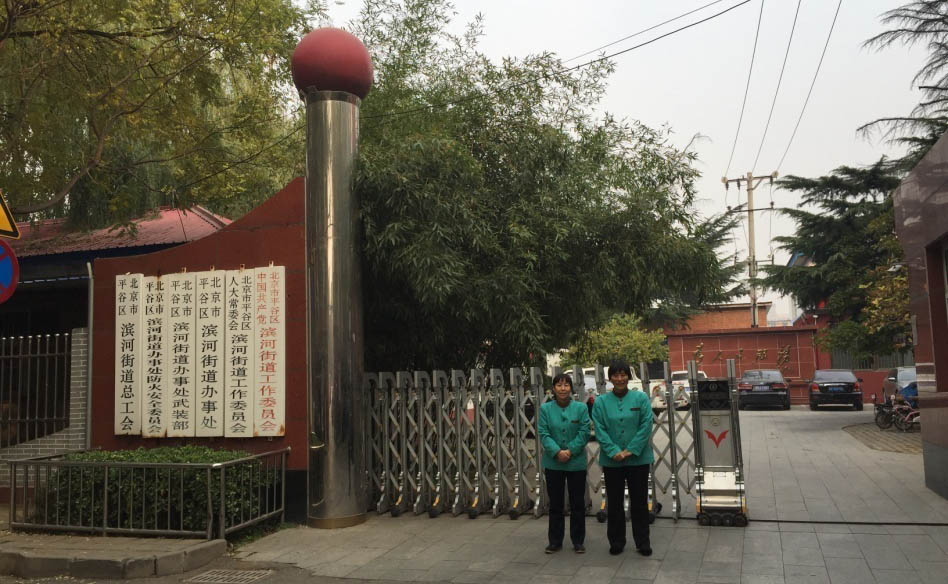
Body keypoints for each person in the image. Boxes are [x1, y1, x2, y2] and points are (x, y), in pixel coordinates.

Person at [591, 360, 654, 556]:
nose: (620, 379)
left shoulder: (641, 398)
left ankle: (642, 542)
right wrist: (613, 451)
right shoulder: (601, 402)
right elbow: (599, 428)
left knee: (639, 502)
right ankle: (616, 541)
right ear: (610, 378)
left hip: (638, 459)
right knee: (615, 502)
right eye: (615, 375)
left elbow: (646, 425)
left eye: (623, 374)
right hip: (612, 461)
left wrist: (630, 450)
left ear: (628, 376)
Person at [538, 373, 590, 554]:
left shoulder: (581, 408)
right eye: (559, 385)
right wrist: (557, 452)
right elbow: (543, 433)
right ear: (553, 388)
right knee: (555, 504)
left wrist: (570, 451)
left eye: (566, 385)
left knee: (577, 504)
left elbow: (584, 432)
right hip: (553, 463)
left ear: (571, 388)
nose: (562, 388)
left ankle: (578, 541)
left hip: (576, 463)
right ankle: (555, 541)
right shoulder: (545, 409)